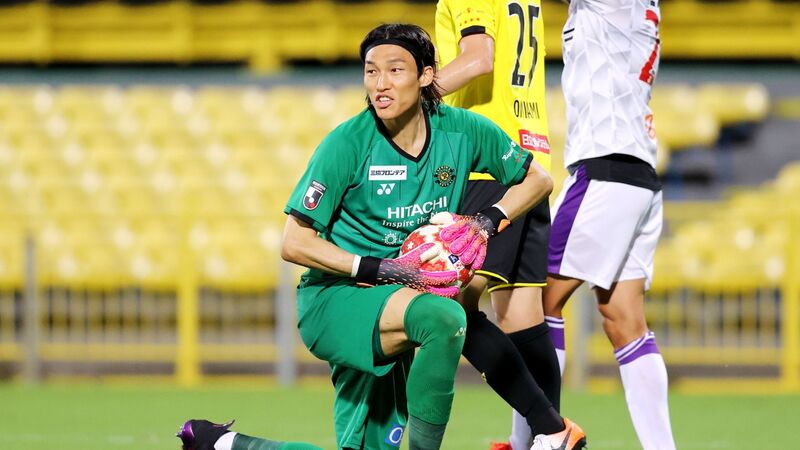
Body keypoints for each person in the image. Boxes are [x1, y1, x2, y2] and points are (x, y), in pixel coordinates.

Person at [178, 23, 553, 450]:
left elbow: (537, 180)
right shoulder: (347, 143)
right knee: (446, 318)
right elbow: (293, 242)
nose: (380, 84)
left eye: (395, 70)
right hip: (336, 299)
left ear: (427, 75)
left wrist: (488, 221)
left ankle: (222, 444)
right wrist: (377, 267)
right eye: (371, 72)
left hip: (396, 298)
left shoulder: (463, 130)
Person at [434, 2, 585, 450]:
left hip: (489, 161)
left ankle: (551, 429)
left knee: (453, 310)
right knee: (521, 316)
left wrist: (418, 90)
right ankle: (547, 439)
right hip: (531, 157)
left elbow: (480, 57)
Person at [542, 0, 677, 449]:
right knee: (624, 320)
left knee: (535, 300)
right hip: (637, 170)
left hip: (606, 165)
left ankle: (538, 437)